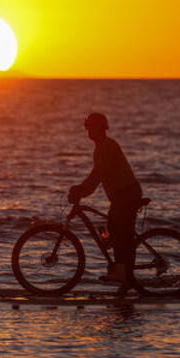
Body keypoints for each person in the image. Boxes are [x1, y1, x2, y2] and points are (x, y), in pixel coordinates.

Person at [68, 113, 143, 296]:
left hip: (127, 194)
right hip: (120, 196)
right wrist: (82, 190)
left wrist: (80, 190)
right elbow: (96, 179)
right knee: (118, 231)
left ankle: (122, 274)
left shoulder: (108, 146)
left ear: (102, 128)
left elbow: (96, 176)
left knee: (116, 227)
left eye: (94, 127)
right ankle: (126, 277)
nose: (90, 130)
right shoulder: (99, 149)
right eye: (88, 127)